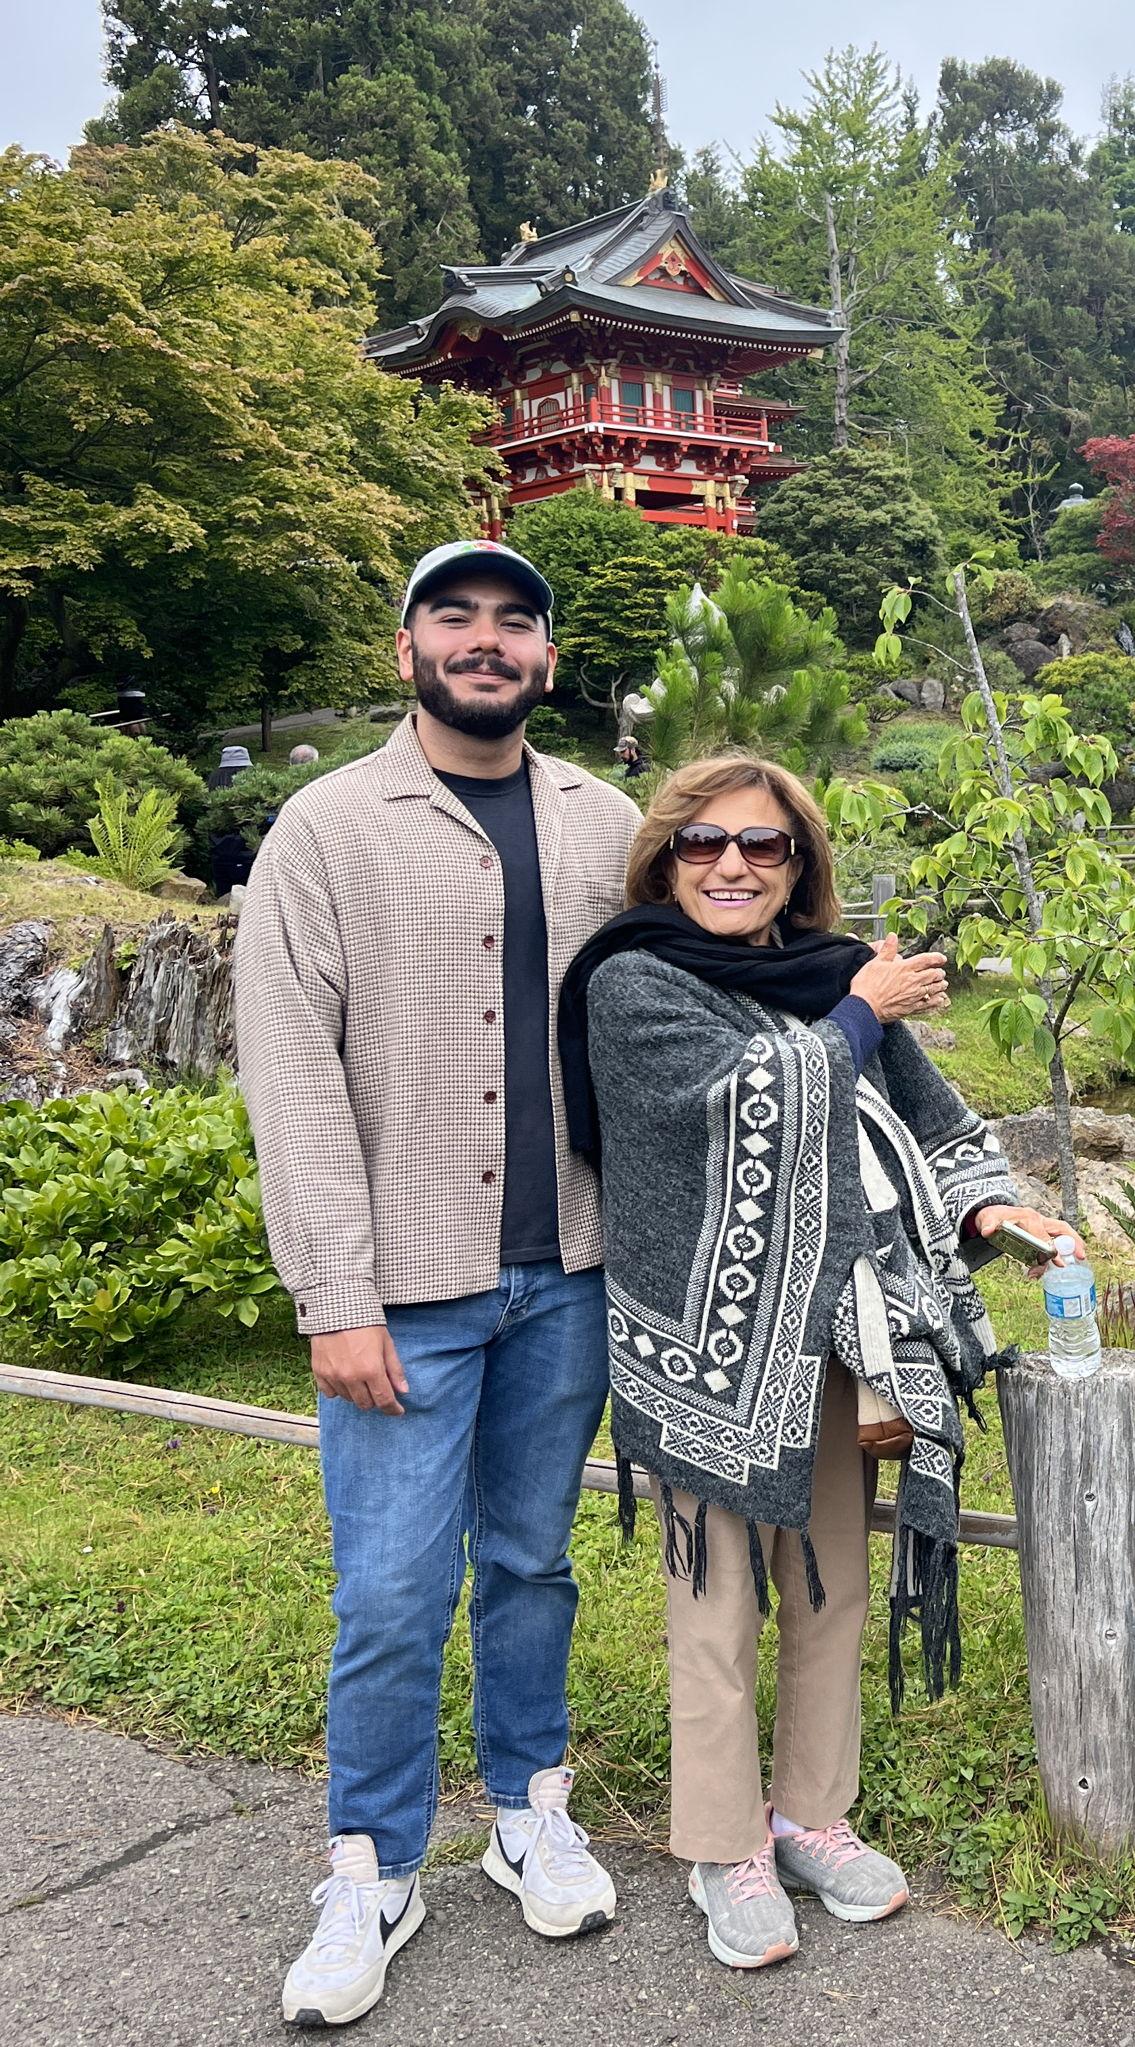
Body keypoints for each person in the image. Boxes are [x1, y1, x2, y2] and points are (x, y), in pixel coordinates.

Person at [557, 756, 1075, 1973]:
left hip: (842, 1340)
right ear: (664, 857)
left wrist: (995, 1215)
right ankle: (721, 1841)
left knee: (830, 1589)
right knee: (715, 1602)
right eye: (704, 844)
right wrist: (861, 1008)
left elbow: (930, 1114)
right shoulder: (631, 981)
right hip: (705, 1349)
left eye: (764, 846)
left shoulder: (842, 979)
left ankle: (810, 1815)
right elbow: (756, 1098)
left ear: (799, 866)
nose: (732, 865)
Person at [235, 538, 644, 2028]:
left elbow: (690, 982)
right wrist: (332, 1293)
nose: (487, 640)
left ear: (546, 655)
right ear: (406, 645)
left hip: (571, 1272)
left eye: (514, 620)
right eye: (456, 617)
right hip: (404, 1286)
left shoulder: (607, 821)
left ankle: (528, 1805)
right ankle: (375, 1859)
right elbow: (288, 1076)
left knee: (533, 1559)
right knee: (395, 1588)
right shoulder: (329, 826)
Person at [206, 745, 256, 898]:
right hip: (245, 851)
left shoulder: (214, 779)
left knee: (224, 894)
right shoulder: (250, 780)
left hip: (219, 851)